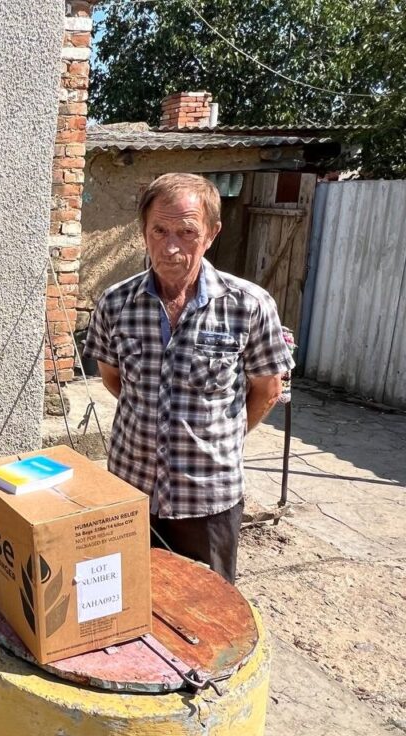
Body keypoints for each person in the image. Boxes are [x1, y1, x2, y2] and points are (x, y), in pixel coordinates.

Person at [84, 173, 293, 584]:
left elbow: (267, 392)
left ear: (211, 233)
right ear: (143, 232)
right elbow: (114, 380)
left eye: (186, 231)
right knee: (130, 608)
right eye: (159, 230)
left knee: (208, 618)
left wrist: (219, 437)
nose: (171, 246)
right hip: (131, 495)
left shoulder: (248, 305)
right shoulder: (115, 303)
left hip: (208, 501)